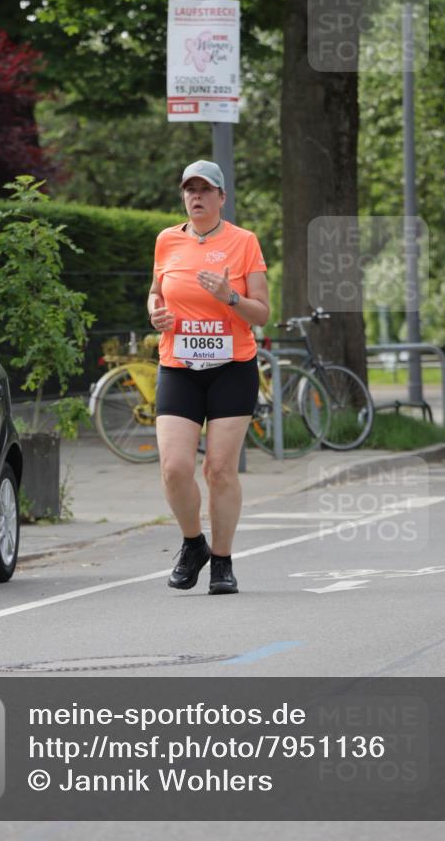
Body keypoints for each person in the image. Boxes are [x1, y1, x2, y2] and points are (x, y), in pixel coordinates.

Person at [147, 160, 269, 594]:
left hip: (232, 368)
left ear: (221, 197)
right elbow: (157, 291)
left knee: (219, 468)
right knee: (174, 468)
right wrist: (153, 312)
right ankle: (193, 543)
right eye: (189, 189)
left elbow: (262, 312)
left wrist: (230, 296)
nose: (196, 196)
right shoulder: (166, 241)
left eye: (205, 189)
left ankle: (222, 561)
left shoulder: (244, 243)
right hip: (178, 366)